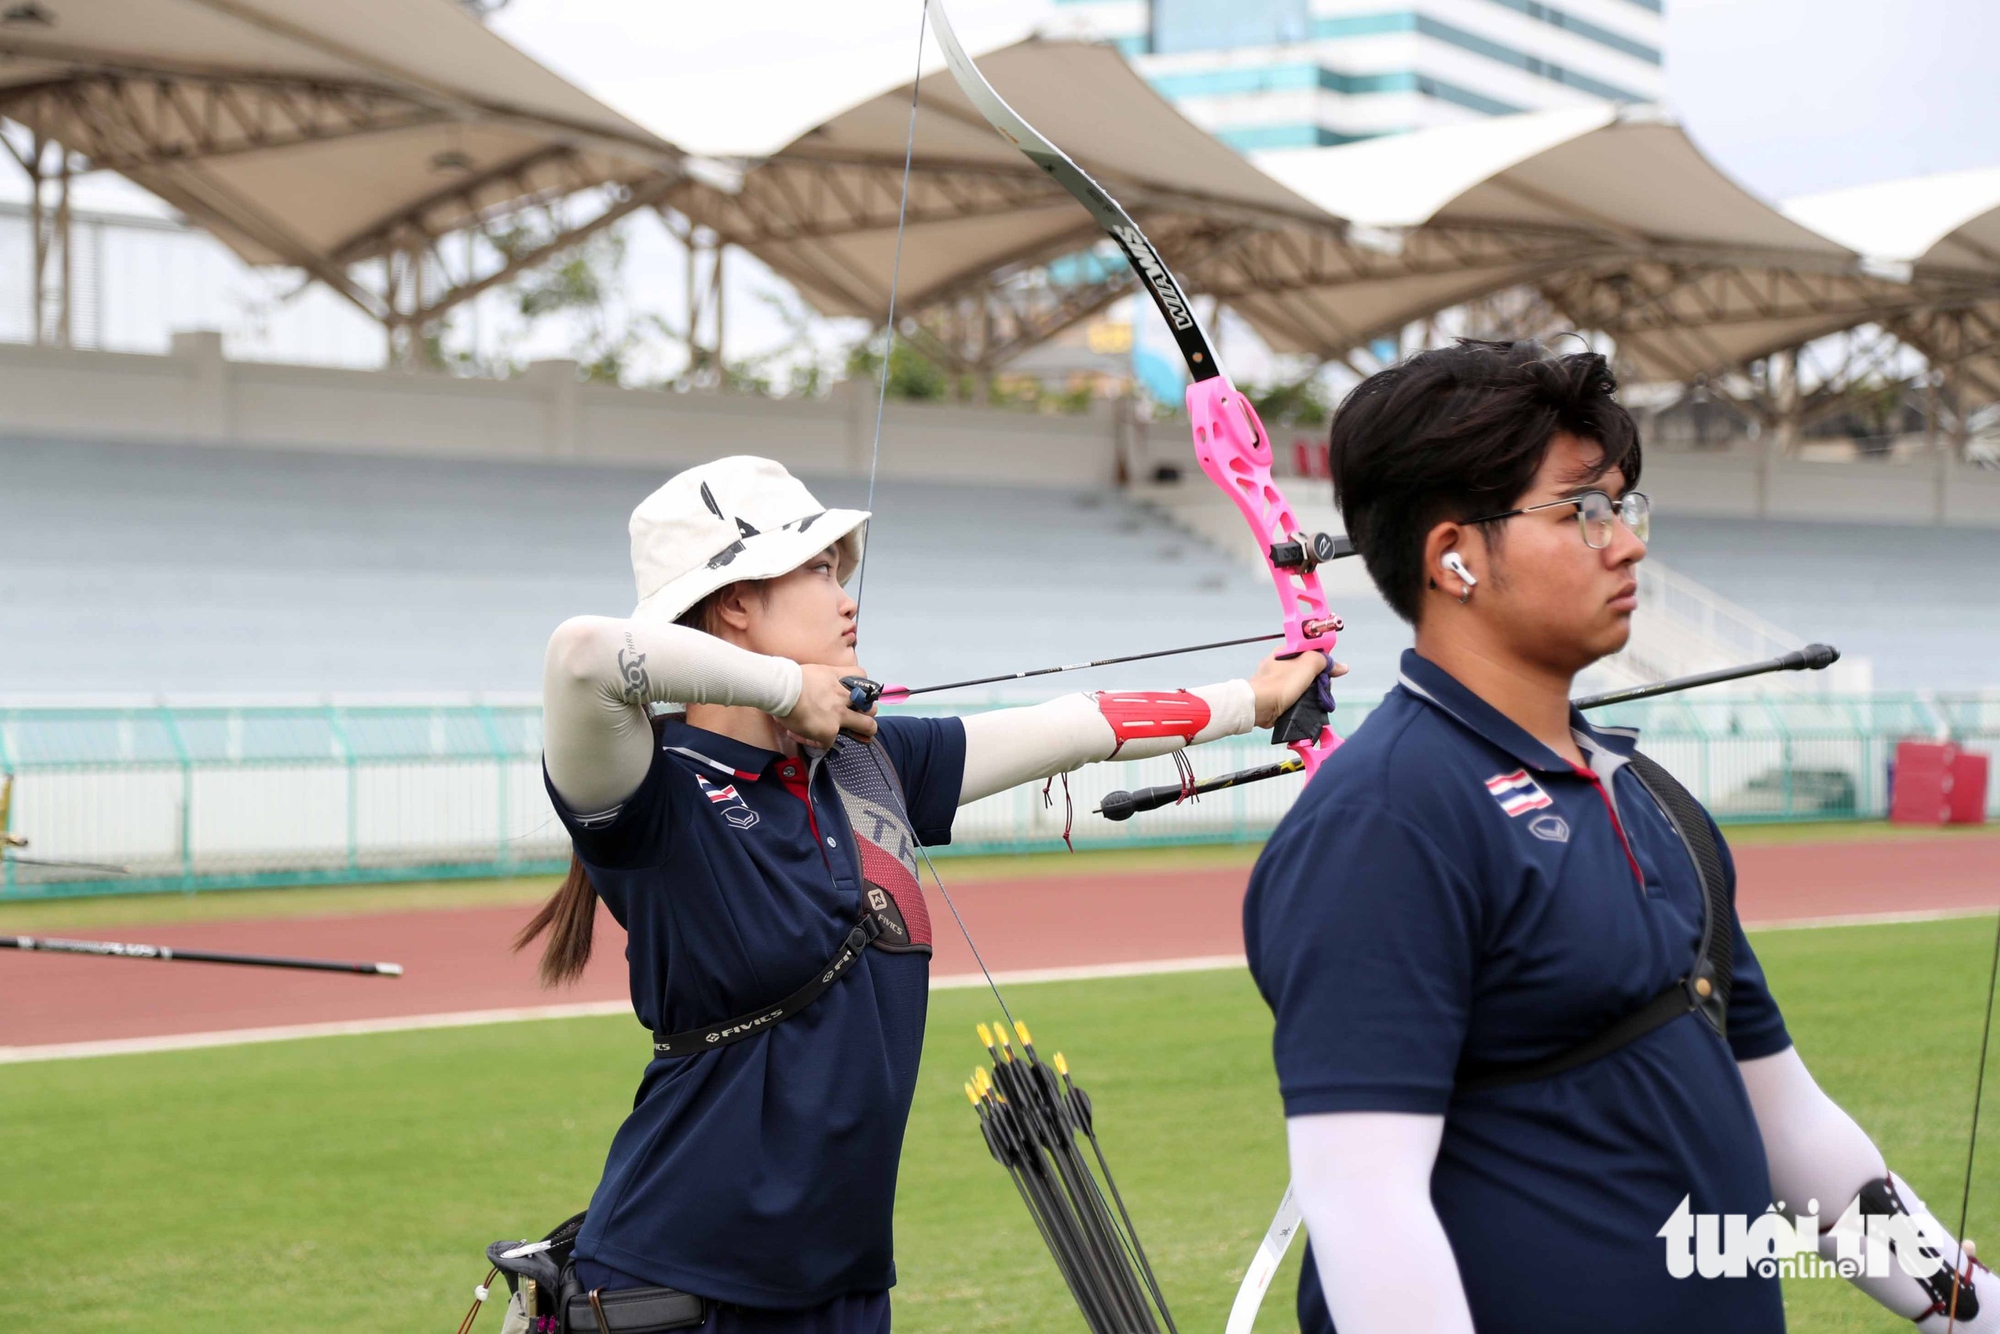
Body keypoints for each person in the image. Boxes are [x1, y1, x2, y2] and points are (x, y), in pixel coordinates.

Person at [1243, 340, 1997, 1334]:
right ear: (1452, 555)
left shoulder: (1651, 800)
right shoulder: (1385, 820)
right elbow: (1363, 1208)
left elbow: (1792, 1129)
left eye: (1625, 504)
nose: (1627, 541)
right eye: (1582, 509)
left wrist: (1966, 1303)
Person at [523, 454, 1331, 1333]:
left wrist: (1254, 698)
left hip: (845, 1279)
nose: (846, 597)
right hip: (683, 1282)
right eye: (819, 570)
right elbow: (581, 655)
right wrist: (792, 689)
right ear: (736, 604)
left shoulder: (869, 764)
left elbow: (1075, 725)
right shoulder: (655, 792)